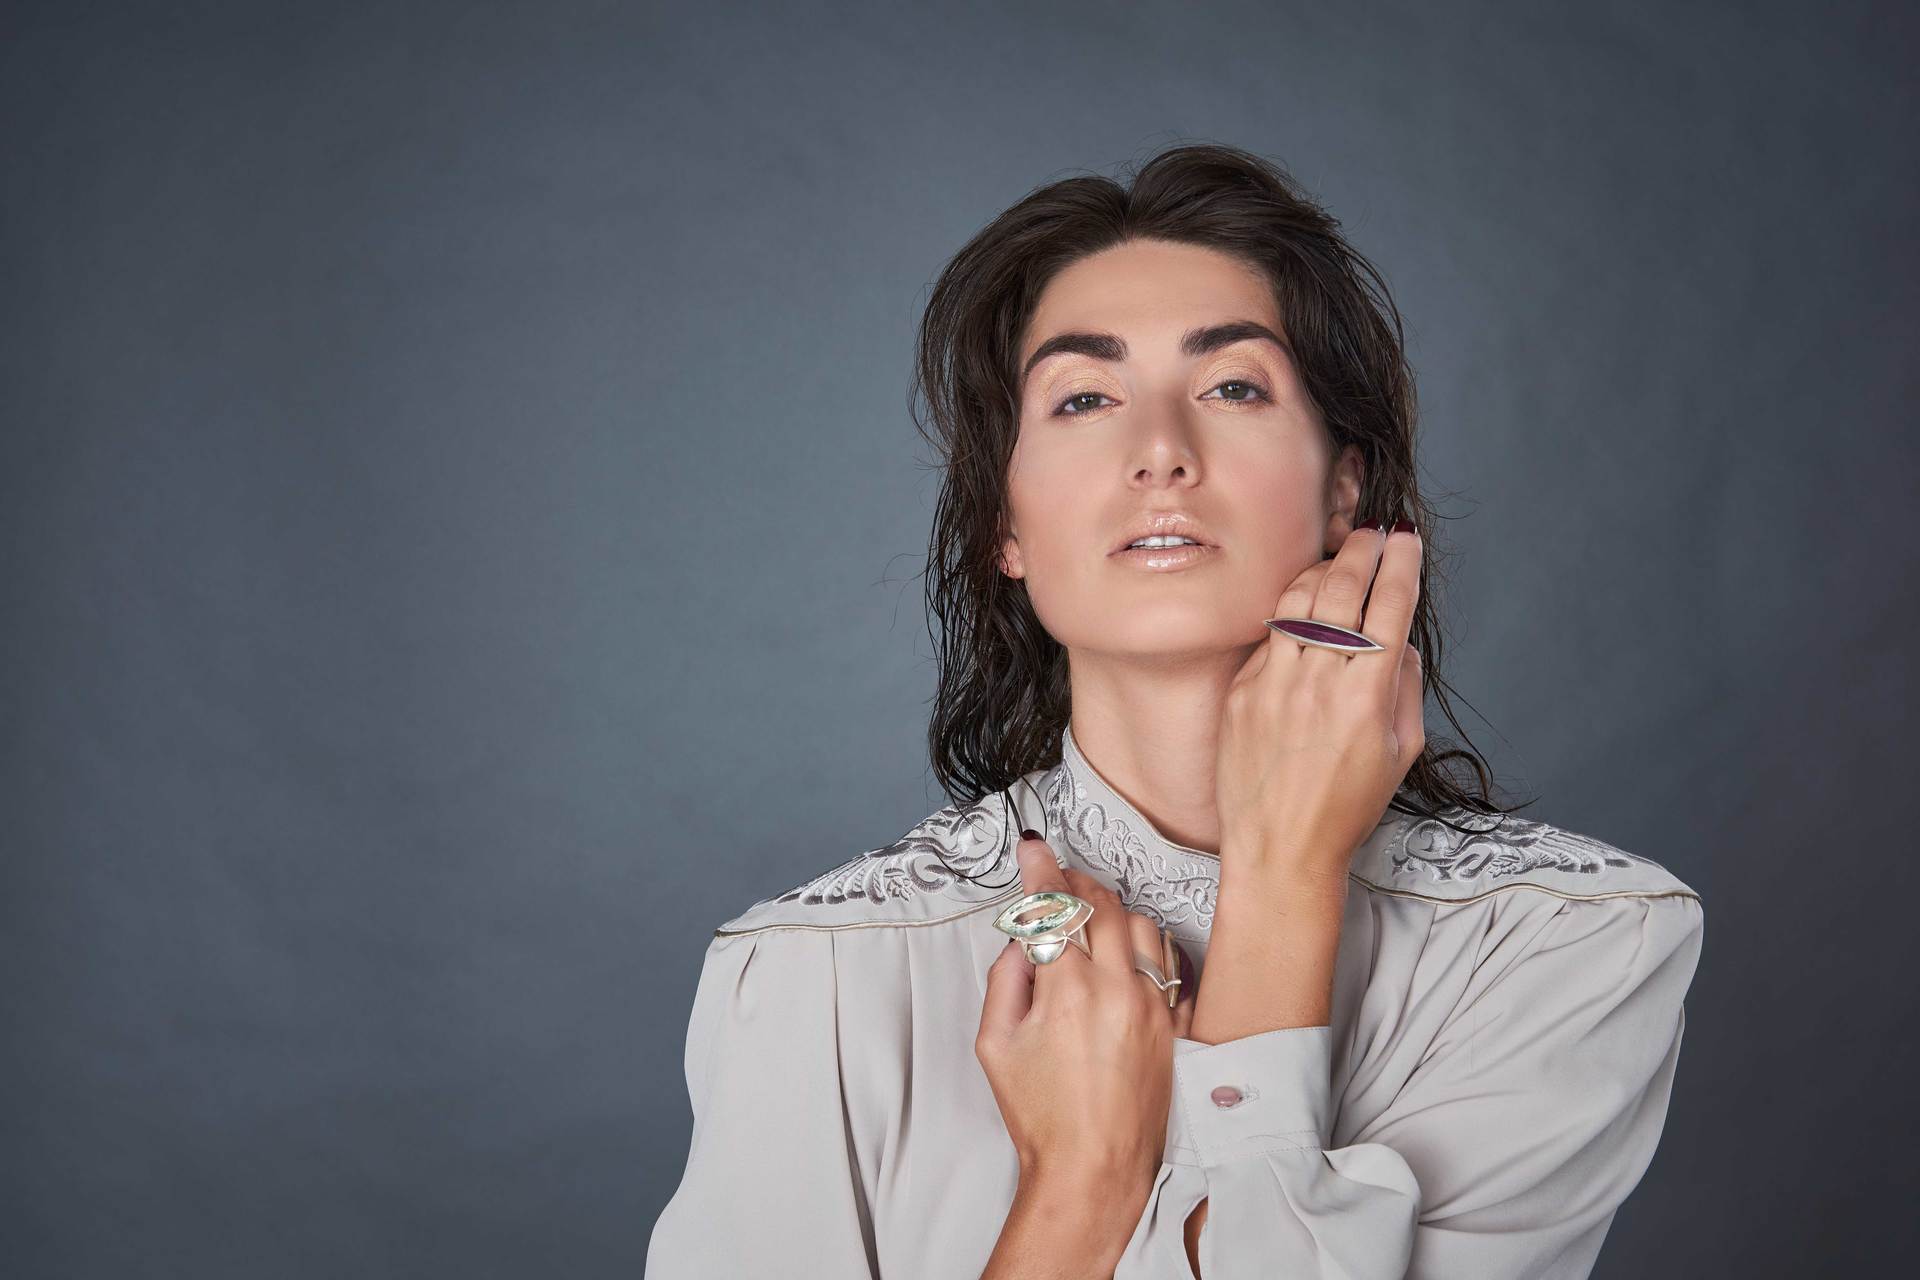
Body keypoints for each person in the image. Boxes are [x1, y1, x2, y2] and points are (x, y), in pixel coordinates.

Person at [644, 143, 1704, 1279]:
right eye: (1085, 398)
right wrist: (1081, 1185)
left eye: (1233, 387)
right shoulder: (817, 974)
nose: (1160, 451)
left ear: (1343, 489)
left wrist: (1284, 878)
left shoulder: (1564, 941)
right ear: (1005, 524)